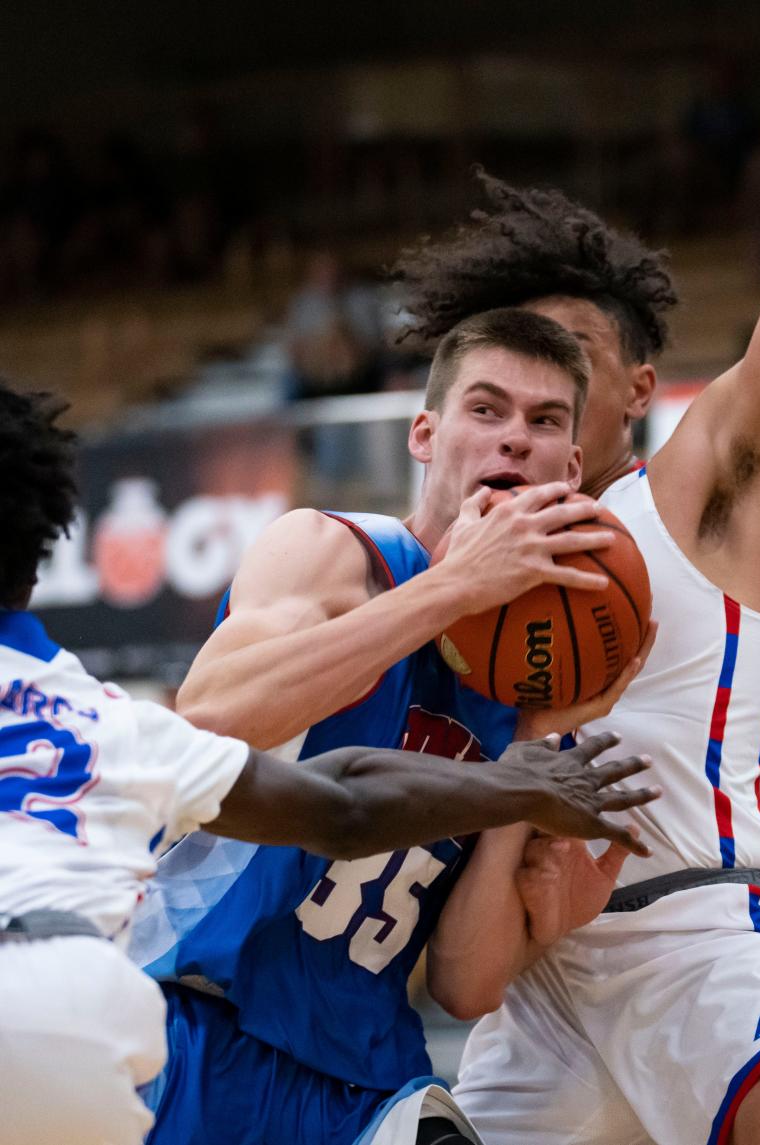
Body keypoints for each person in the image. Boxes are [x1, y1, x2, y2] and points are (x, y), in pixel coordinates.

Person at [397, 2, 760, 1140]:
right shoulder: (455, 565)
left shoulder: (695, 487)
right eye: (511, 366)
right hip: (536, 979)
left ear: (635, 387)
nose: (540, 391)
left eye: (567, 358)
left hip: (701, 937)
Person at [0, 379, 662, 1145]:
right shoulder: (332, 554)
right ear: (426, 435)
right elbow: (214, 714)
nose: (512, 438)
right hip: (199, 1015)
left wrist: (531, 752)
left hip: (363, 1071)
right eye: (486, 409)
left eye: (542, 420)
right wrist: (452, 591)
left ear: (573, 469)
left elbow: (463, 983)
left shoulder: (531, 709)